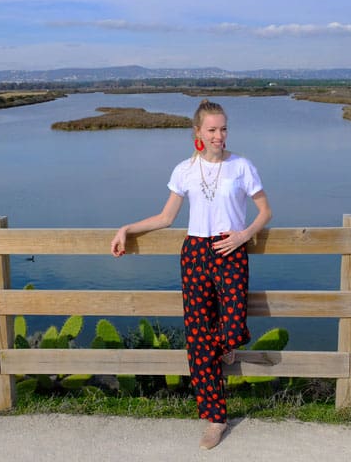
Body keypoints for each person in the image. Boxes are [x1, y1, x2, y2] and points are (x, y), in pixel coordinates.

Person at [110, 98, 272, 450]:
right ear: (198, 132)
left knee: (232, 328)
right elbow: (166, 218)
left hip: (230, 252)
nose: (219, 136)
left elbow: (265, 211)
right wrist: (127, 228)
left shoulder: (242, 167)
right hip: (195, 253)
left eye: (223, 128)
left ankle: (221, 349)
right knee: (198, 339)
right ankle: (215, 420)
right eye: (212, 129)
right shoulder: (184, 169)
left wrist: (243, 235)